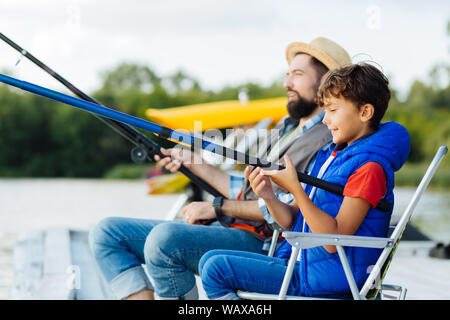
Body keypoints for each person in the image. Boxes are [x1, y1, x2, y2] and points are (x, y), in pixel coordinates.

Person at [88, 37, 351, 300]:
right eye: (287, 74)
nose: (287, 83)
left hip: (265, 243)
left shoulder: (328, 138)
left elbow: (291, 209)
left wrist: (216, 207)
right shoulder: (287, 127)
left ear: (326, 80)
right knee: (107, 233)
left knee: (163, 240)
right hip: (233, 229)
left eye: (297, 74)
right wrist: (192, 162)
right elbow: (247, 190)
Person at [199, 63, 411, 299]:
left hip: (329, 281)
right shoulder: (333, 157)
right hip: (304, 266)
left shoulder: (370, 170)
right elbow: (291, 219)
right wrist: (268, 196)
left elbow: (333, 241)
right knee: (209, 259)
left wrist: (296, 189)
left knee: (216, 269)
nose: (325, 120)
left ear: (365, 112)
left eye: (332, 110)